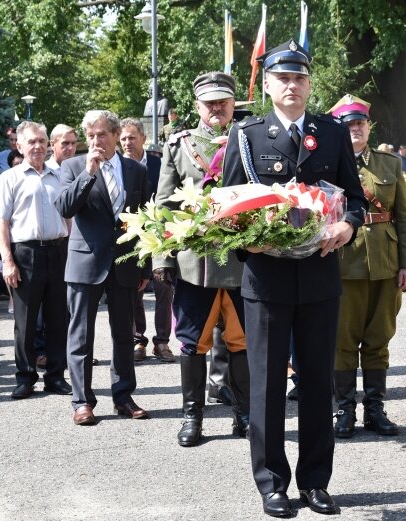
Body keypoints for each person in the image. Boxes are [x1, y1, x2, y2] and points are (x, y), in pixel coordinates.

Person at [222, 40, 368, 517]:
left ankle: (315, 482)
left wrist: (349, 225)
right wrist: (250, 241)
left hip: (321, 276)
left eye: (300, 78)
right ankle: (272, 483)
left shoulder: (331, 133)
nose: (292, 85)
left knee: (316, 380)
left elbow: (355, 197)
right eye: (283, 78)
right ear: (267, 85)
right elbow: (223, 210)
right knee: (265, 385)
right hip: (266, 280)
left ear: (310, 84)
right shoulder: (247, 135)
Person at [155, 72, 250, 447]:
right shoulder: (179, 145)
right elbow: (164, 206)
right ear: (197, 106)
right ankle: (192, 416)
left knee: (243, 340)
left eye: (223, 101)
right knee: (192, 341)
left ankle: (244, 413)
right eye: (209, 102)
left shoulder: (249, 138)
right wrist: (162, 259)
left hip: (243, 258)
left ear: (233, 104)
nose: (216, 107)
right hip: (197, 261)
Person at [328, 94, 406, 439]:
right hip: (344, 262)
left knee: (379, 339)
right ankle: (344, 409)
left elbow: (405, 220)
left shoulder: (389, 164)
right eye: (349, 124)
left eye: (360, 123)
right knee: (343, 339)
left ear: (369, 127)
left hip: (385, 262)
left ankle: (375, 408)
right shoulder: (329, 163)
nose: (355, 129)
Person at [55, 110, 151, 426]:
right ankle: (82, 402)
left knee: (124, 334)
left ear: (114, 134)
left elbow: (146, 220)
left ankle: (123, 397)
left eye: (102, 134)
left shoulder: (135, 170)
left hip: (124, 264)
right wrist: (88, 173)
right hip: (85, 262)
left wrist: (145, 267)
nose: (96, 140)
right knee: (80, 335)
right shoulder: (72, 167)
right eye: (91, 135)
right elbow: (65, 206)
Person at [0, 121, 71, 399]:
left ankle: (55, 376)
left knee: (57, 318)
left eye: (42, 140)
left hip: (59, 251)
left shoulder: (60, 175)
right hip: (25, 254)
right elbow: (2, 223)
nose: (38, 146)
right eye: (31, 142)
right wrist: (8, 261)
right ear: (19, 145)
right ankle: (25, 376)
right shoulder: (10, 178)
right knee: (25, 322)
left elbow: (69, 217)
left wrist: (72, 252)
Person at [119, 117, 175, 365]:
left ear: (143, 138)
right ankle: (137, 339)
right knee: (135, 290)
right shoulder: (116, 166)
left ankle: (162, 341)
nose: (127, 143)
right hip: (131, 237)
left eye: (131, 137)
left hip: (161, 235)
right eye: (122, 138)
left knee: (164, 287)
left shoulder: (159, 164)